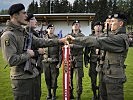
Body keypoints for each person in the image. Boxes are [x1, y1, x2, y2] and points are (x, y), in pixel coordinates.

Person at [0, 3, 66, 100]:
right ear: (15, 15)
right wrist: (29, 54)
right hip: (22, 80)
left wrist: (60, 40)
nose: (26, 16)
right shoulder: (8, 35)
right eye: (24, 13)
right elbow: (11, 60)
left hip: (33, 75)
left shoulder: (24, 33)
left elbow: (41, 41)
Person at [67, 13, 129, 100]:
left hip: (114, 77)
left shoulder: (120, 38)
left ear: (121, 23)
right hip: (106, 73)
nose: (110, 23)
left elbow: (98, 41)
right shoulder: (113, 35)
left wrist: (75, 40)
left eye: (112, 21)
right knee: (102, 96)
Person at [25, 13, 45, 99]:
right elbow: (25, 51)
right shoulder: (26, 33)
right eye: (34, 19)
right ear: (28, 21)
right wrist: (38, 52)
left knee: (37, 93)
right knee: (32, 93)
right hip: (30, 66)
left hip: (36, 66)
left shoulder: (34, 33)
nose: (36, 21)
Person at [84, 21, 104, 100]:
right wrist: (86, 60)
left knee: (102, 80)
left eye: (100, 25)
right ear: (94, 27)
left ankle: (100, 95)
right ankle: (94, 94)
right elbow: (86, 50)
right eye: (97, 26)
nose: (98, 27)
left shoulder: (105, 36)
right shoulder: (90, 37)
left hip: (103, 61)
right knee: (93, 79)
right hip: (93, 61)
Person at [42, 24, 62, 100]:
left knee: (54, 79)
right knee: (47, 78)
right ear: (47, 30)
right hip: (46, 62)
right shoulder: (43, 39)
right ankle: (49, 93)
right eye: (49, 28)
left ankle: (54, 94)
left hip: (54, 62)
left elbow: (60, 52)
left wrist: (60, 63)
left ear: (54, 29)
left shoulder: (57, 39)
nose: (51, 29)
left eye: (52, 28)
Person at [68, 20, 85, 100]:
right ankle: (70, 94)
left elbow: (82, 46)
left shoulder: (82, 36)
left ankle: (78, 95)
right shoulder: (68, 36)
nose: (76, 25)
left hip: (78, 59)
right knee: (69, 78)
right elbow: (65, 45)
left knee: (78, 79)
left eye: (77, 24)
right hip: (69, 59)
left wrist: (72, 45)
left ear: (79, 26)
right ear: (72, 27)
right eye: (74, 24)